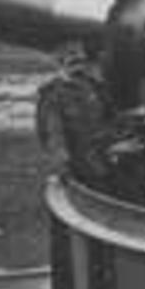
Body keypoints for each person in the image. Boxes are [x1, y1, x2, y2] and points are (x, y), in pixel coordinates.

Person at [35, 39, 113, 185]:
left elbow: (110, 119)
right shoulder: (54, 93)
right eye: (72, 61)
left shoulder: (94, 86)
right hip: (77, 164)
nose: (78, 66)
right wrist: (63, 164)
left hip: (103, 157)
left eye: (81, 60)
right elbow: (54, 134)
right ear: (60, 63)